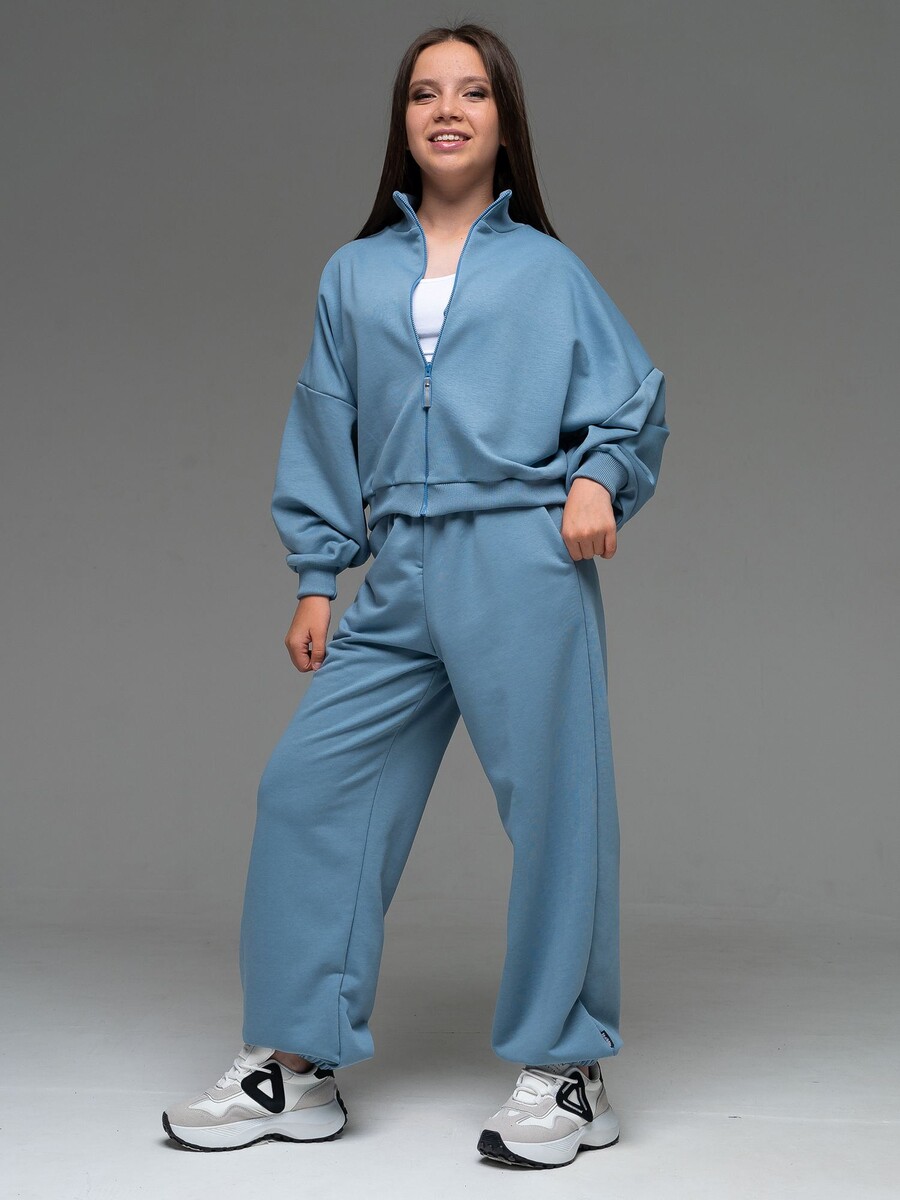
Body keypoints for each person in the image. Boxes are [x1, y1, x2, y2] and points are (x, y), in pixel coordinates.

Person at [162, 21, 669, 1170]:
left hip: (521, 563)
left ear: (504, 122)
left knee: (558, 814)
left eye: (472, 92)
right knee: (310, 790)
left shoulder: (548, 271)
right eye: (426, 93)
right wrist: (316, 574)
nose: (447, 110)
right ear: (402, 122)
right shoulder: (353, 275)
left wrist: (597, 479)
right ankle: (294, 1065)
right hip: (396, 572)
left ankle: (569, 1068)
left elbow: (632, 399)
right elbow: (323, 422)